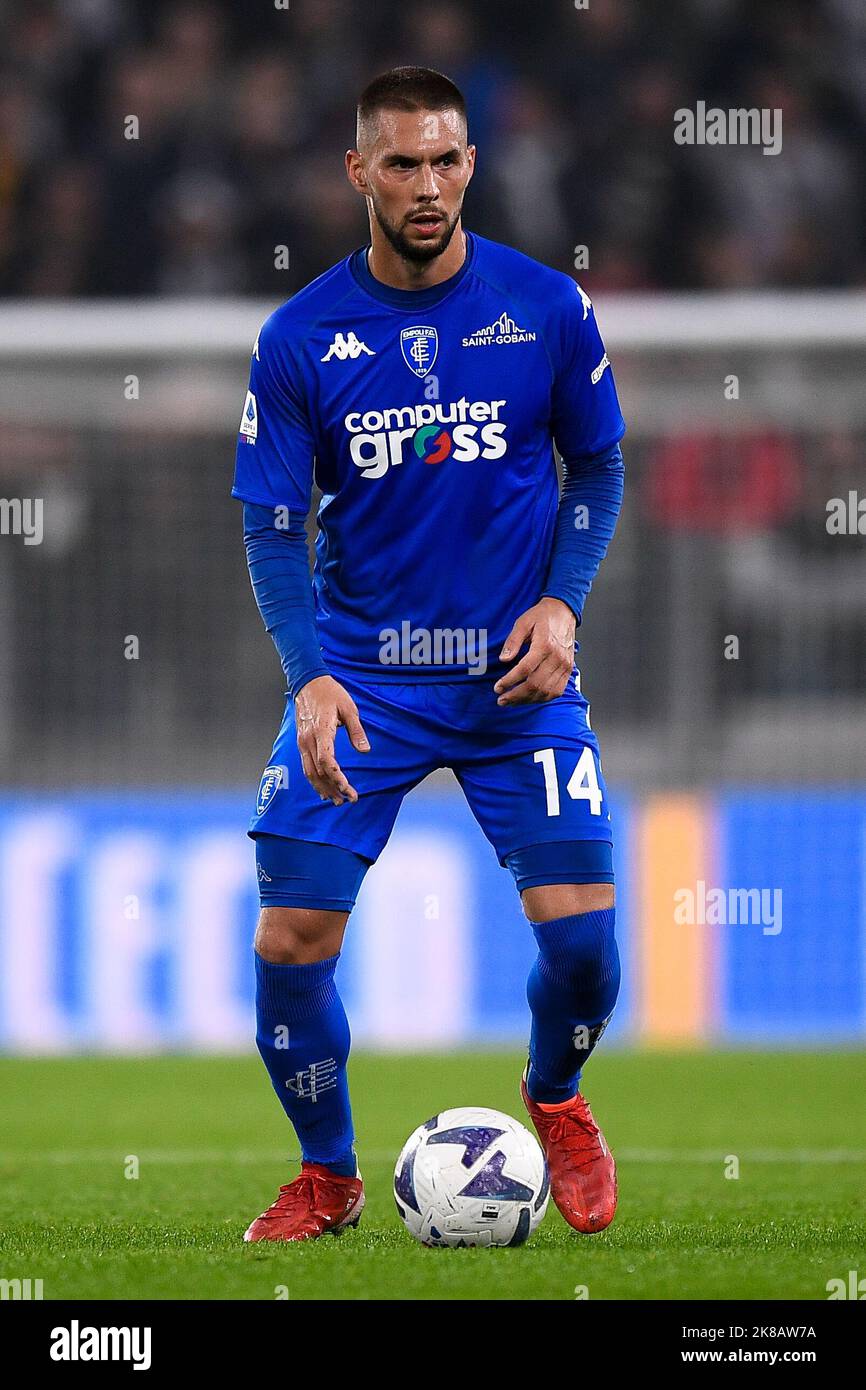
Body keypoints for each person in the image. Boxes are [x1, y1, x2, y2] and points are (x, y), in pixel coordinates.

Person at [232, 66, 626, 1242]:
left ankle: (552, 1095)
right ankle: (330, 1173)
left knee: (585, 944)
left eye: (445, 158)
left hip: (515, 681)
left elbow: (596, 467)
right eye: (399, 162)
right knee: (289, 942)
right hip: (364, 682)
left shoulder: (545, 306)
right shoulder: (300, 336)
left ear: (471, 164)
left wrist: (560, 607)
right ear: (357, 171)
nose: (425, 183)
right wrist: (306, 673)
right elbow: (269, 523)